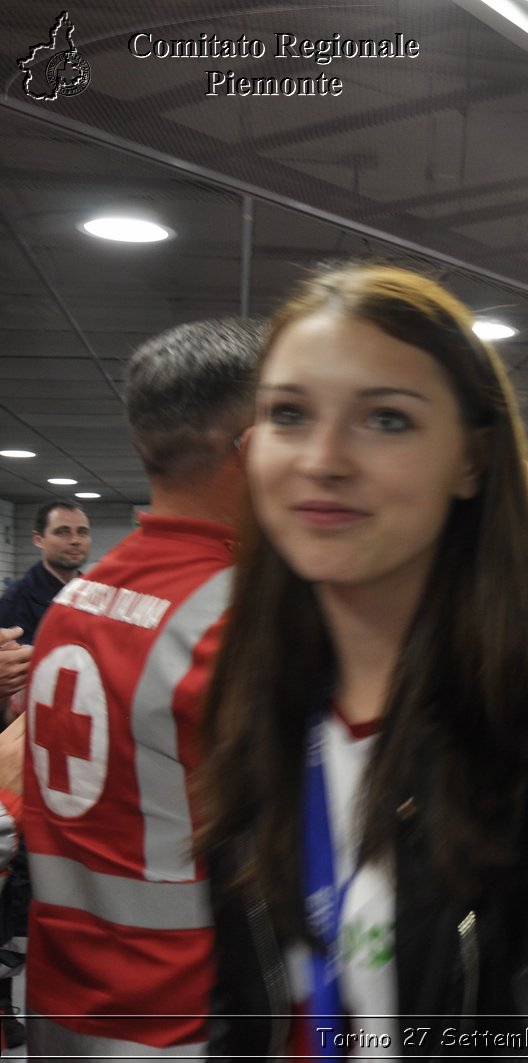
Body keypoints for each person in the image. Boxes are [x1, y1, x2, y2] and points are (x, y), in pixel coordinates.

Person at [196, 264, 528, 1055]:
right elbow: (239, 1004)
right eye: (289, 414)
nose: (324, 458)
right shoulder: (254, 685)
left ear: (473, 458)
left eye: (387, 420)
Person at [8, 320, 260, 1056]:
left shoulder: (73, 603)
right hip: (180, 1018)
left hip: (63, 1004)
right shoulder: (233, 621)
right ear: (250, 453)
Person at [0, 500, 92, 644]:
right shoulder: (16, 601)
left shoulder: (97, 594)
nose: (75, 540)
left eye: (82, 532)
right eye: (62, 532)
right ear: (39, 540)